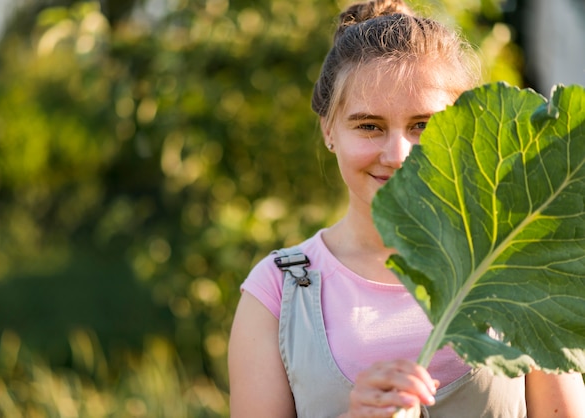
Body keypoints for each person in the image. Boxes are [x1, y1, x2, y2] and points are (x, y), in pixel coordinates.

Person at [228, 1, 585, 417]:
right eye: (369, 126)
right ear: (329, 130)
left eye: (424, 125)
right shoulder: (277, 292)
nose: (397, 154)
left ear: (464, 130)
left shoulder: (521, 266)